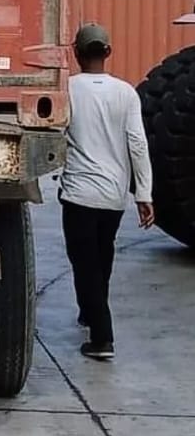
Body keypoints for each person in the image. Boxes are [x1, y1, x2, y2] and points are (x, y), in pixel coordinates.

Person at [59, 23, 155, 362]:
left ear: (76, 52)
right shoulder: (126, 93)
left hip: (79, 194)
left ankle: (102, 338)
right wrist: (144, 194)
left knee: (84, 263)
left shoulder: (67, 90)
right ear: (108, 52)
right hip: (115, 196)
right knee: (102, 257)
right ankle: (90, 312)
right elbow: (138, 145)